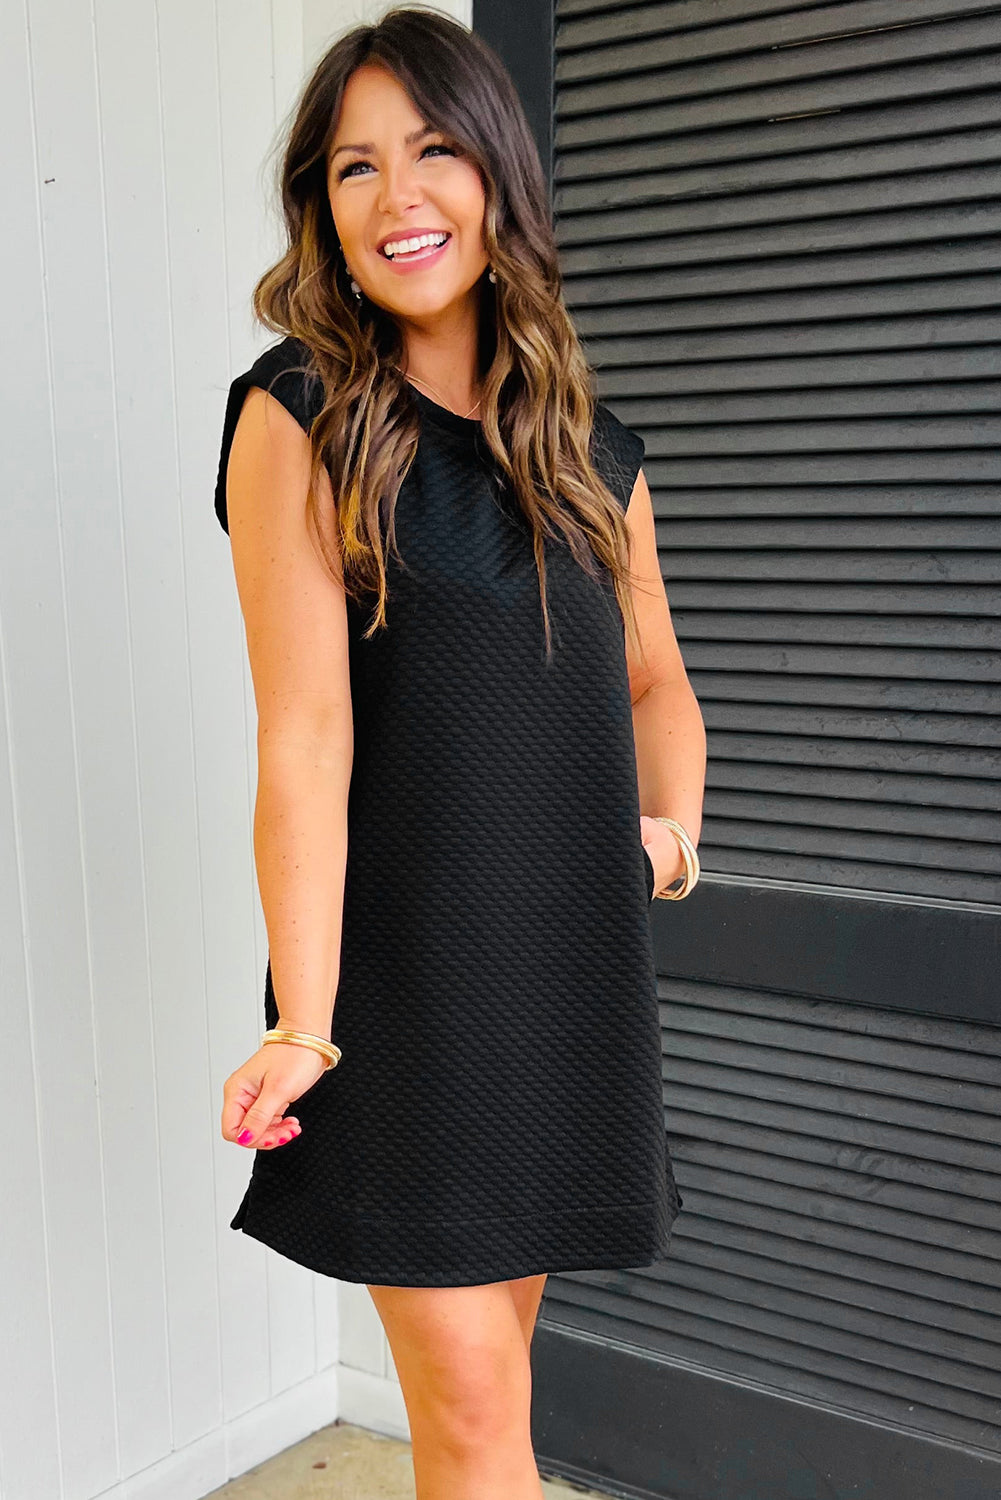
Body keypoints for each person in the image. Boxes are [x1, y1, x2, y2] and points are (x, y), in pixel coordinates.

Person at [214, 8, 706, 1497]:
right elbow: (303, 741)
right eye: (354, 167)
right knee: (485, 1421)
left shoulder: (590, 452)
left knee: (481, 1410)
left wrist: (667, 840)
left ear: (497, 177)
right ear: (323, 211)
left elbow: (658, 687)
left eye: (431, 151)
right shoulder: (303, 418)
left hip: (561, 991)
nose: (397, 196)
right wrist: (306, 1021)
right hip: (398, 1002)